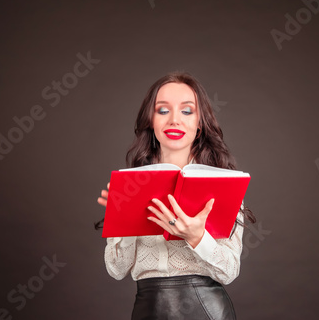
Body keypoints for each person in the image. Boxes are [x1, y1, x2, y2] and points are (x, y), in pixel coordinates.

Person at [96, 71, 255, 320]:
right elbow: (116, 270)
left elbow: (229, 270)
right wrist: (125, 218)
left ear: (200, 123)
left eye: (187, 111)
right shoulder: (129, 185)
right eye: (163, 110)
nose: (174, 120)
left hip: (206, 311)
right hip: (148, 310)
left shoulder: (223, 184)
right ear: (150, 120)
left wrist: (196, 236)